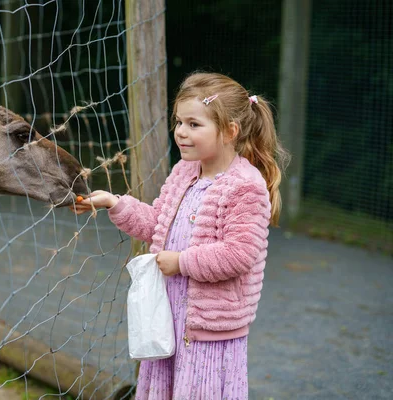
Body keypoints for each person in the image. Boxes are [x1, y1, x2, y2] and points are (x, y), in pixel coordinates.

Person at [70, 72, 289, 399]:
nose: (181, 133)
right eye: (178, 122)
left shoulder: (246, 186)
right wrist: (114, 203)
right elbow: (158, 222)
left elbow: (240, 255)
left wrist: (182, 262)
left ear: (230, 131)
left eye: (194, 124)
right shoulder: (185, 171)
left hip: (209, 334)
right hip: (168, 320)